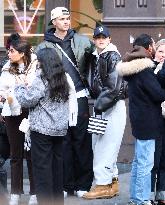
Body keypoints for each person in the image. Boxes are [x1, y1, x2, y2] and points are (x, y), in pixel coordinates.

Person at [35, 6, 93, 197]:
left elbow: (95, 63)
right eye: (61, 19)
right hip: (59, 99)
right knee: (64, 143)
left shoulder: (83, 41)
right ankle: (67, 185)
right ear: (54, 22)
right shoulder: (43, 46)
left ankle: (83, 184)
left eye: (67, 18)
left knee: (82, 140)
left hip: (80, 96)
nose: (66, 21)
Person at [14, 47, 70, 205]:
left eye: (38, 59)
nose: (36, 62)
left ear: (44, 61)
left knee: (42, 170)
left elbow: (29, 99)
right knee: (57, 169)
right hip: (59, 130)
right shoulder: (62, 77)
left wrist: (19, 87)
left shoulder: (42, 77)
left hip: (42, 130)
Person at [116, 34, 165, 205]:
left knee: (139, 162)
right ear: (147, 48)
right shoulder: (144, 70)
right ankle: (141, 199)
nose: (154, 48)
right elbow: (158, 94)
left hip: (140, 120)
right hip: (149, 122)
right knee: (146, 163)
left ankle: (135, 197)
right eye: (153, 45)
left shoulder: (134, 68)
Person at [82, 25, 126, 199]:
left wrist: (99, 105)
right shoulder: (97, 56)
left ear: (109, 39)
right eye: (98, 37)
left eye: (104, 37)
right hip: (102, 106)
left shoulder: (113, 56)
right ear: (94, 39)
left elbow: (114, 88)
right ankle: (111, 182)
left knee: (105, 146)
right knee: (101, 144)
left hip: (110, 106)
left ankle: (102, 184)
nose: (101, 39)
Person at [0, 38, 37, 205]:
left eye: (12, 51)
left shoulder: (35, 67)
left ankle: (34, 193)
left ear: (22, 54)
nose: (9, 53)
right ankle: (15, 192)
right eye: (9, 51)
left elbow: (37, 88)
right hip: (12, 113)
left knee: (31, 154)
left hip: (31, 113)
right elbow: (2, 89)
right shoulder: (7, 68)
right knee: (15, 154)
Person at [151, 39, 165, 205]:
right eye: (161, 51)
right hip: (155, 118)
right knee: (154, 158)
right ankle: (148, 193)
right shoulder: (150, 69)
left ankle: (162, 194)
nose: (164, 56)